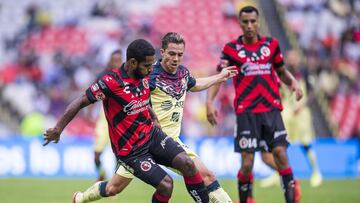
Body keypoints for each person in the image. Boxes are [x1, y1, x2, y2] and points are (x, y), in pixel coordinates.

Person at [44, 39, 210, 203]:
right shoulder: (111, 83)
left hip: (151, 135)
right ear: (132, 63)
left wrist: (154, 119)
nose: (151, 69)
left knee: (188, 163)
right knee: (165, 185)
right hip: (131, 151)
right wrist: (58, 129)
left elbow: (143, 100)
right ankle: (81, 198)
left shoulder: (145, 74)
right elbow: (81, 101)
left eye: (152, 64)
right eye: (147, 65)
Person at [98, 32, 237, 203]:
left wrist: (220, 76)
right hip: (142, 142)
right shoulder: (148, 74)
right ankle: (81, 198)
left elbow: (195, 84)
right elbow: (131, 97)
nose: (176, 59)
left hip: (170, 142)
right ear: (162, 52)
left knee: (207, 175)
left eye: (180, 55)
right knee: (113, 188)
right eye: (172, 53)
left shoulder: (183, 74)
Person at [206, 6, 303, 203]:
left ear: (258, 22)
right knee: (248, 163)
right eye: (245, 22)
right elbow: (220, 78)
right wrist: (209, 102)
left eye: (253, 21)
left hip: (271, 110)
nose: (249, 25)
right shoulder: (231, 49)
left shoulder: (271, 45)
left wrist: (293, 82)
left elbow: (282, 71)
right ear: (240, 23)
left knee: (280, 155)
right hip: (246, 113)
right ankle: (247, 199)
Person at [260, 50, 322, 188]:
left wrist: (302, 105)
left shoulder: (305, 73)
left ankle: (316, 172)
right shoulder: (283, 74)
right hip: (286, 113)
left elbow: (313, 92)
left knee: (305, 143)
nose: (292, 60)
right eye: (289, 58)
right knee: (279, 144)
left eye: (294, 58)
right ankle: (279, 174)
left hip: (302, 113)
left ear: (299, 59)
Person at [93, 50, 122, 181]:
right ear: (109, 62)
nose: (117, 63)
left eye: (119, 61)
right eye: (114, 60)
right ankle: (102, 174)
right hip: (104, 120)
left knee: (118, 155)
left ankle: (114, 182)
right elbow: (90, 95)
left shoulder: (126, 77)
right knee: (97, 155)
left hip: (119, 121)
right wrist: (88, 112)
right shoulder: (102, 77)